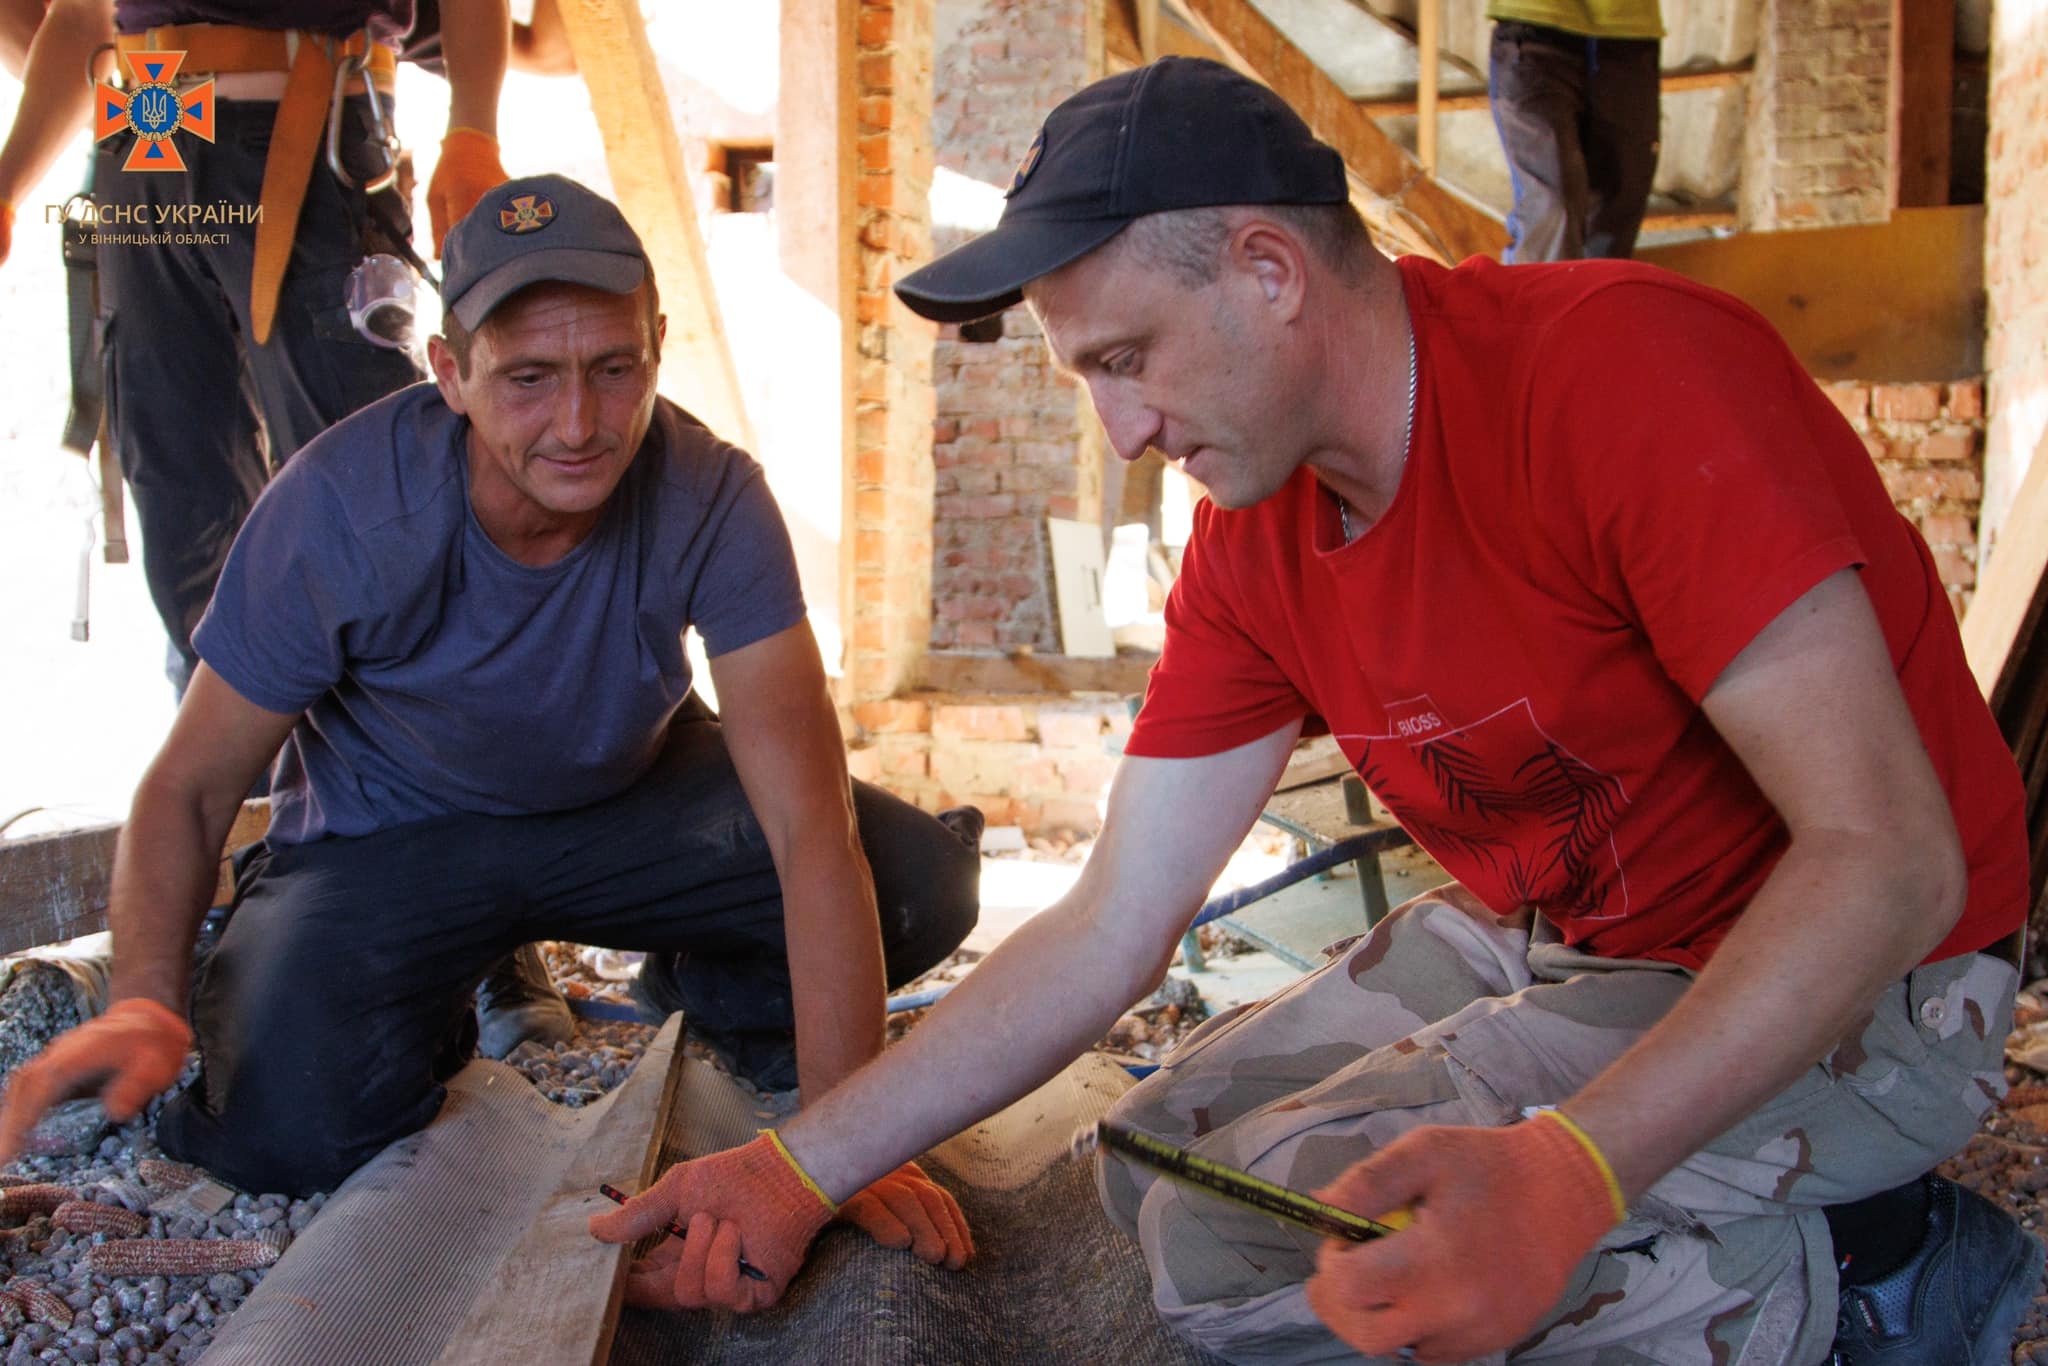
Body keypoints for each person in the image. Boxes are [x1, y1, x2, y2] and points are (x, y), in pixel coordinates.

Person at [588, 57, 2042, 1366]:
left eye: (1123, 358)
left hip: (1893, 980)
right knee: (1155, 1160)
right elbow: (1110, 921)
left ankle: (1865, 1282)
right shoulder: (1259, 540)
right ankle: (1779, 1225)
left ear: (1270, 268)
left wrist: (1573, 1171)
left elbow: (1888, 858)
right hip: (1584, 945)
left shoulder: (1620, 375)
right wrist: (795, 1165)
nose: (1126, 431)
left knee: (1240, 1254)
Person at [0, 178, 984, 1283]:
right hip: (388, 844)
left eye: (614, 370)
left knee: (916, 881)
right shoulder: (340, 507)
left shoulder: (710, 493)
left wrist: (830, 1152)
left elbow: (810, 829)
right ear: (448, 373)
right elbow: (184, 788)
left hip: (626, 808)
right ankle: (437, 993)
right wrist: (143, 992)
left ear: (658, 348)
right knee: (288, 1129)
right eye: (527, 378)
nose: (577, 423)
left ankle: (703, 992)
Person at [1486, 1, 1663, 262]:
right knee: (1553, 208)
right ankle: (1540, 300)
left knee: (1615, 219)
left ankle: (1597, 301)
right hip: (1535, 26)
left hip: (1629, 36)